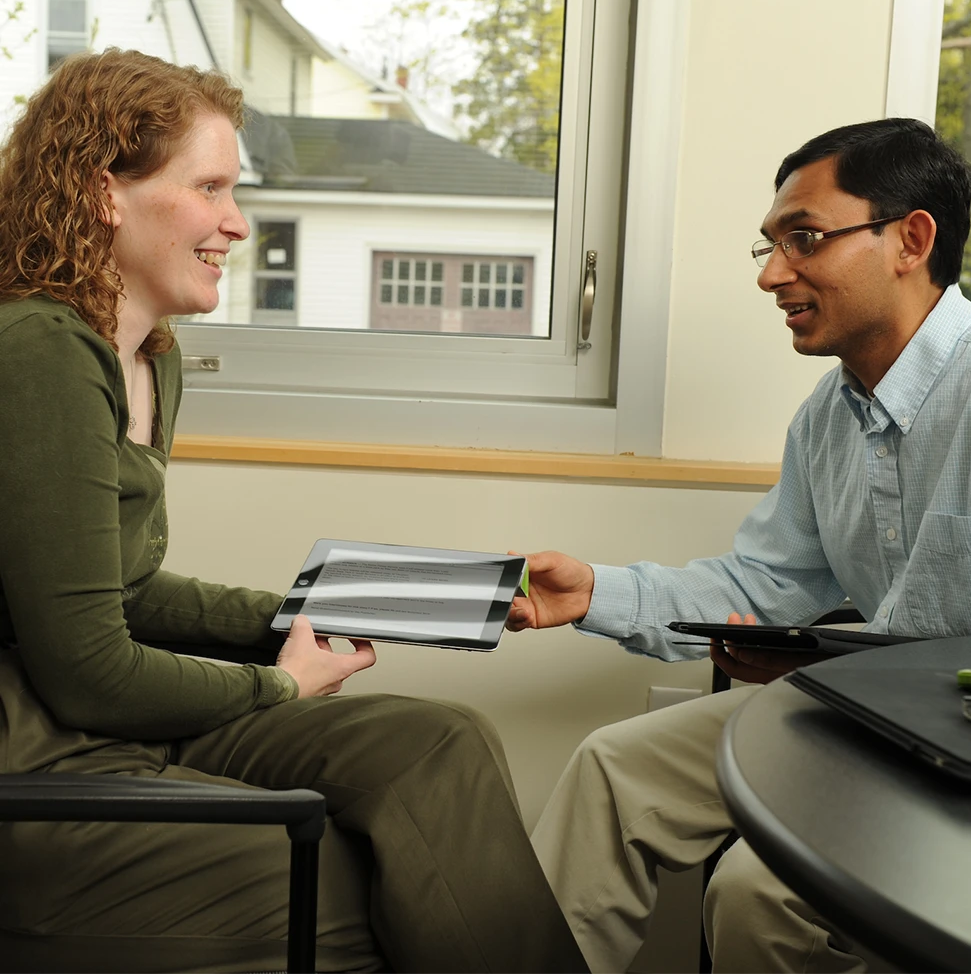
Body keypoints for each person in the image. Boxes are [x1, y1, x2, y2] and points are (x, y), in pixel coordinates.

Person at [0, 48, 590, 974]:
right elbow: (86, 671)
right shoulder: (37, 349)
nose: (237, 223)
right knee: (360, 882)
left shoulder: (153, 357)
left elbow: (131, 589)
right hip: (36, 755)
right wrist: (278, 687)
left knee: (438, 742)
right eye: (211, 188)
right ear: (102, 189)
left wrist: (430, 600)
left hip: (108, 723)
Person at [507, 117, 971, 974]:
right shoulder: (826, 417)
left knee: (752, 896)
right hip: (863, 715)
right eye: (767, 246)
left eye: (804, 239)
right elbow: (764, 582)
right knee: (615, 768)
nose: (773, 275)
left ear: (912, 239)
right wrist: (594, 593)